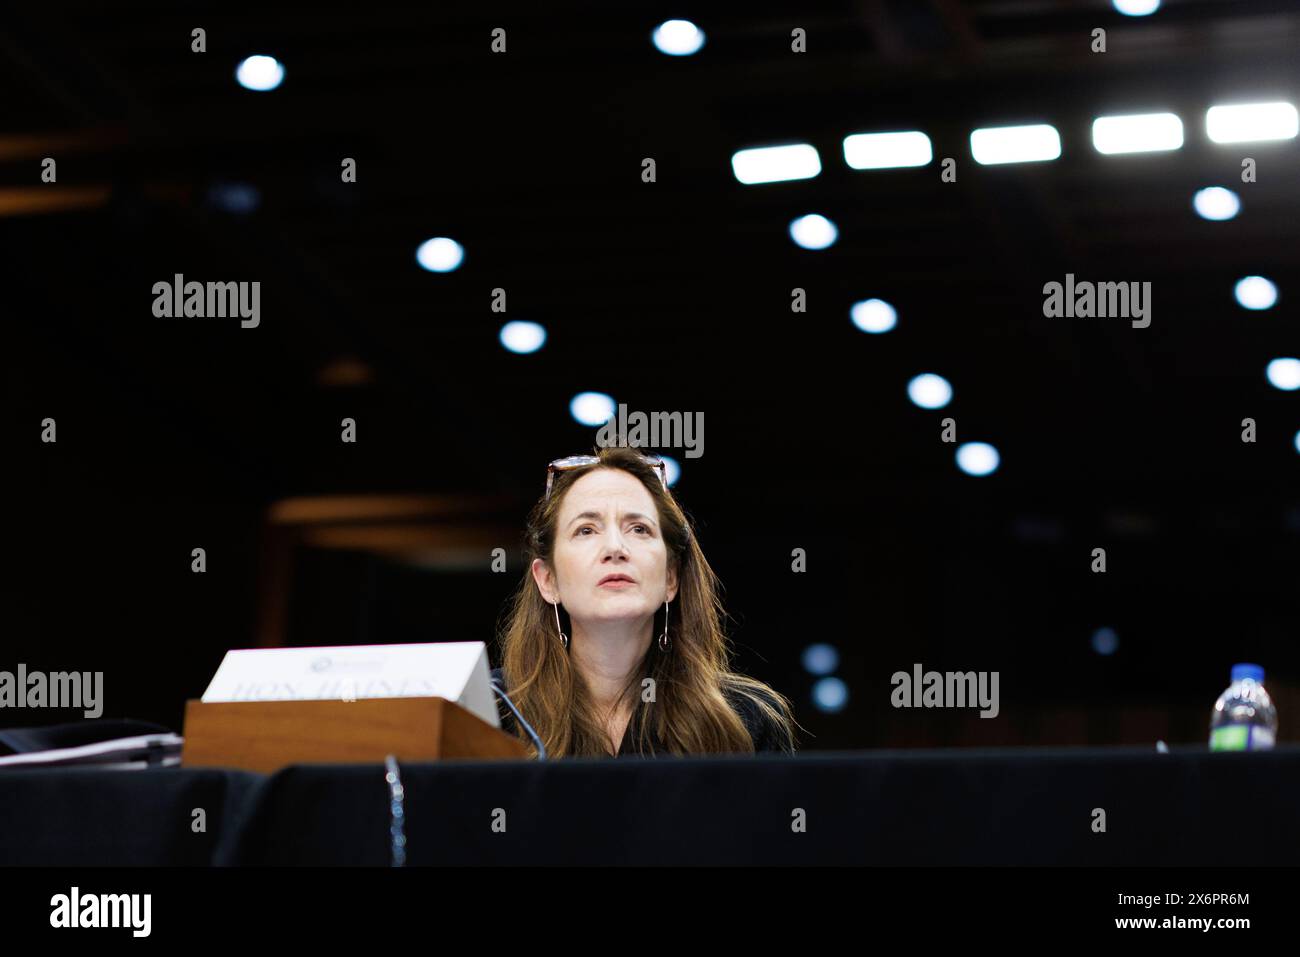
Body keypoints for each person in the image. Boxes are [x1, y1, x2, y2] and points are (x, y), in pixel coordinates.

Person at [493, 445, 798, 757]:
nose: (615, 547)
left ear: (671, 578)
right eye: (586, 530)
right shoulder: (493, 711)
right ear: (548, 580)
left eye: (639, 529)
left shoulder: (744, 721)